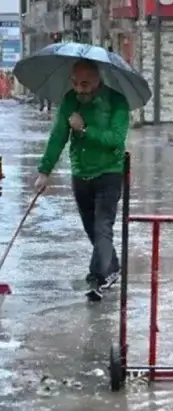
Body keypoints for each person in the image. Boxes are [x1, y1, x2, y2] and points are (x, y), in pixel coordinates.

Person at [34, 59, 130, 302]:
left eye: (85, 84)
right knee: (92, 229)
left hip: (109, 172)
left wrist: (85, 129)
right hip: (80, 173)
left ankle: (95, 277)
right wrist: (45, 171)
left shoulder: (117, 102)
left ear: (98, 80)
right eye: (75, 83)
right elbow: (58, 136)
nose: (80, 89)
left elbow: (116, 140)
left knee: (102, 227)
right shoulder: (70, 101)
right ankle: (112, 267)